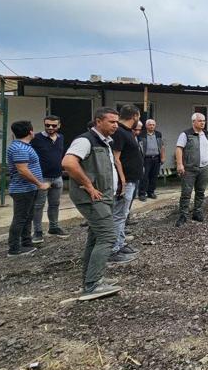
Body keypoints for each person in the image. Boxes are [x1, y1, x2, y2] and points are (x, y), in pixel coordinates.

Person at [61, 107, 122, 300]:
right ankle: (93, 285)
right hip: (93, 198)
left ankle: (90, 279)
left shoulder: (104, 142)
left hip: (103, 197)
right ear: (98, 121)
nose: (115, 125)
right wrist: (88, 185)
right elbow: (69, 163)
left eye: (117, 122)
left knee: (95, 238)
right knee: (108, 236)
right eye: (111, 122)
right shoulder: (85, 140)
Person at [6, 120, 51, 257]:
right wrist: (40, 184)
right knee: (20, 218)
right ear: (31, 131)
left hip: (28, 189)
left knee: (27, 217)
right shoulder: (20, 148)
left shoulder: (23, 146)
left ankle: (26, 242)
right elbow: (23, 171)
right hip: (22, 189)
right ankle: (14, 248)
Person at [108, 105, 143, 263]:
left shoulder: (127, 132)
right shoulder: (120, 133)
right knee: (119, 215)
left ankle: (121, 244)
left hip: (131, 180)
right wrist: (122, 181)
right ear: (135, 116)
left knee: (123, 215)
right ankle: (113, 250)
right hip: (125, 181)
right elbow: (116, 158)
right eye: (139, 117)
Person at [30, 115, 69, 242]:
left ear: (59, 125)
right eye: (47, 125)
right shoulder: (36, 138)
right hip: (42, 177)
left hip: (57, 176)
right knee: (38, 205)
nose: (50, 128)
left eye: (53, 125)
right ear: (44, 124)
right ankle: (37, 231)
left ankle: (54, 227)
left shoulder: (60, 137)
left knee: (55, 204)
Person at [175, 112, 208, 226]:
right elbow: (179, 149)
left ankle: (197, 212)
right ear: (193, 122)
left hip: (204, 168)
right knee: (186, 193)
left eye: (204, 121)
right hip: (189, 169)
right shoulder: (186, 134)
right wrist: (179, 164)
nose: (203, 123)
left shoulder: (207, 134)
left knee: (200, 192)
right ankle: (183, 216)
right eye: (200, 121)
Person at [137, 118, 164, 202]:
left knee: (154, 176)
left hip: (156, 158)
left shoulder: (158, 134)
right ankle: (142, 193)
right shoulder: (141, 135)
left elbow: (162, 146)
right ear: (146, 126)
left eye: (153, 125)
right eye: (150, 125)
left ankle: (151, 192)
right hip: (145, 159)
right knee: (144, 177)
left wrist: (163, 157)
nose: (152, 126)